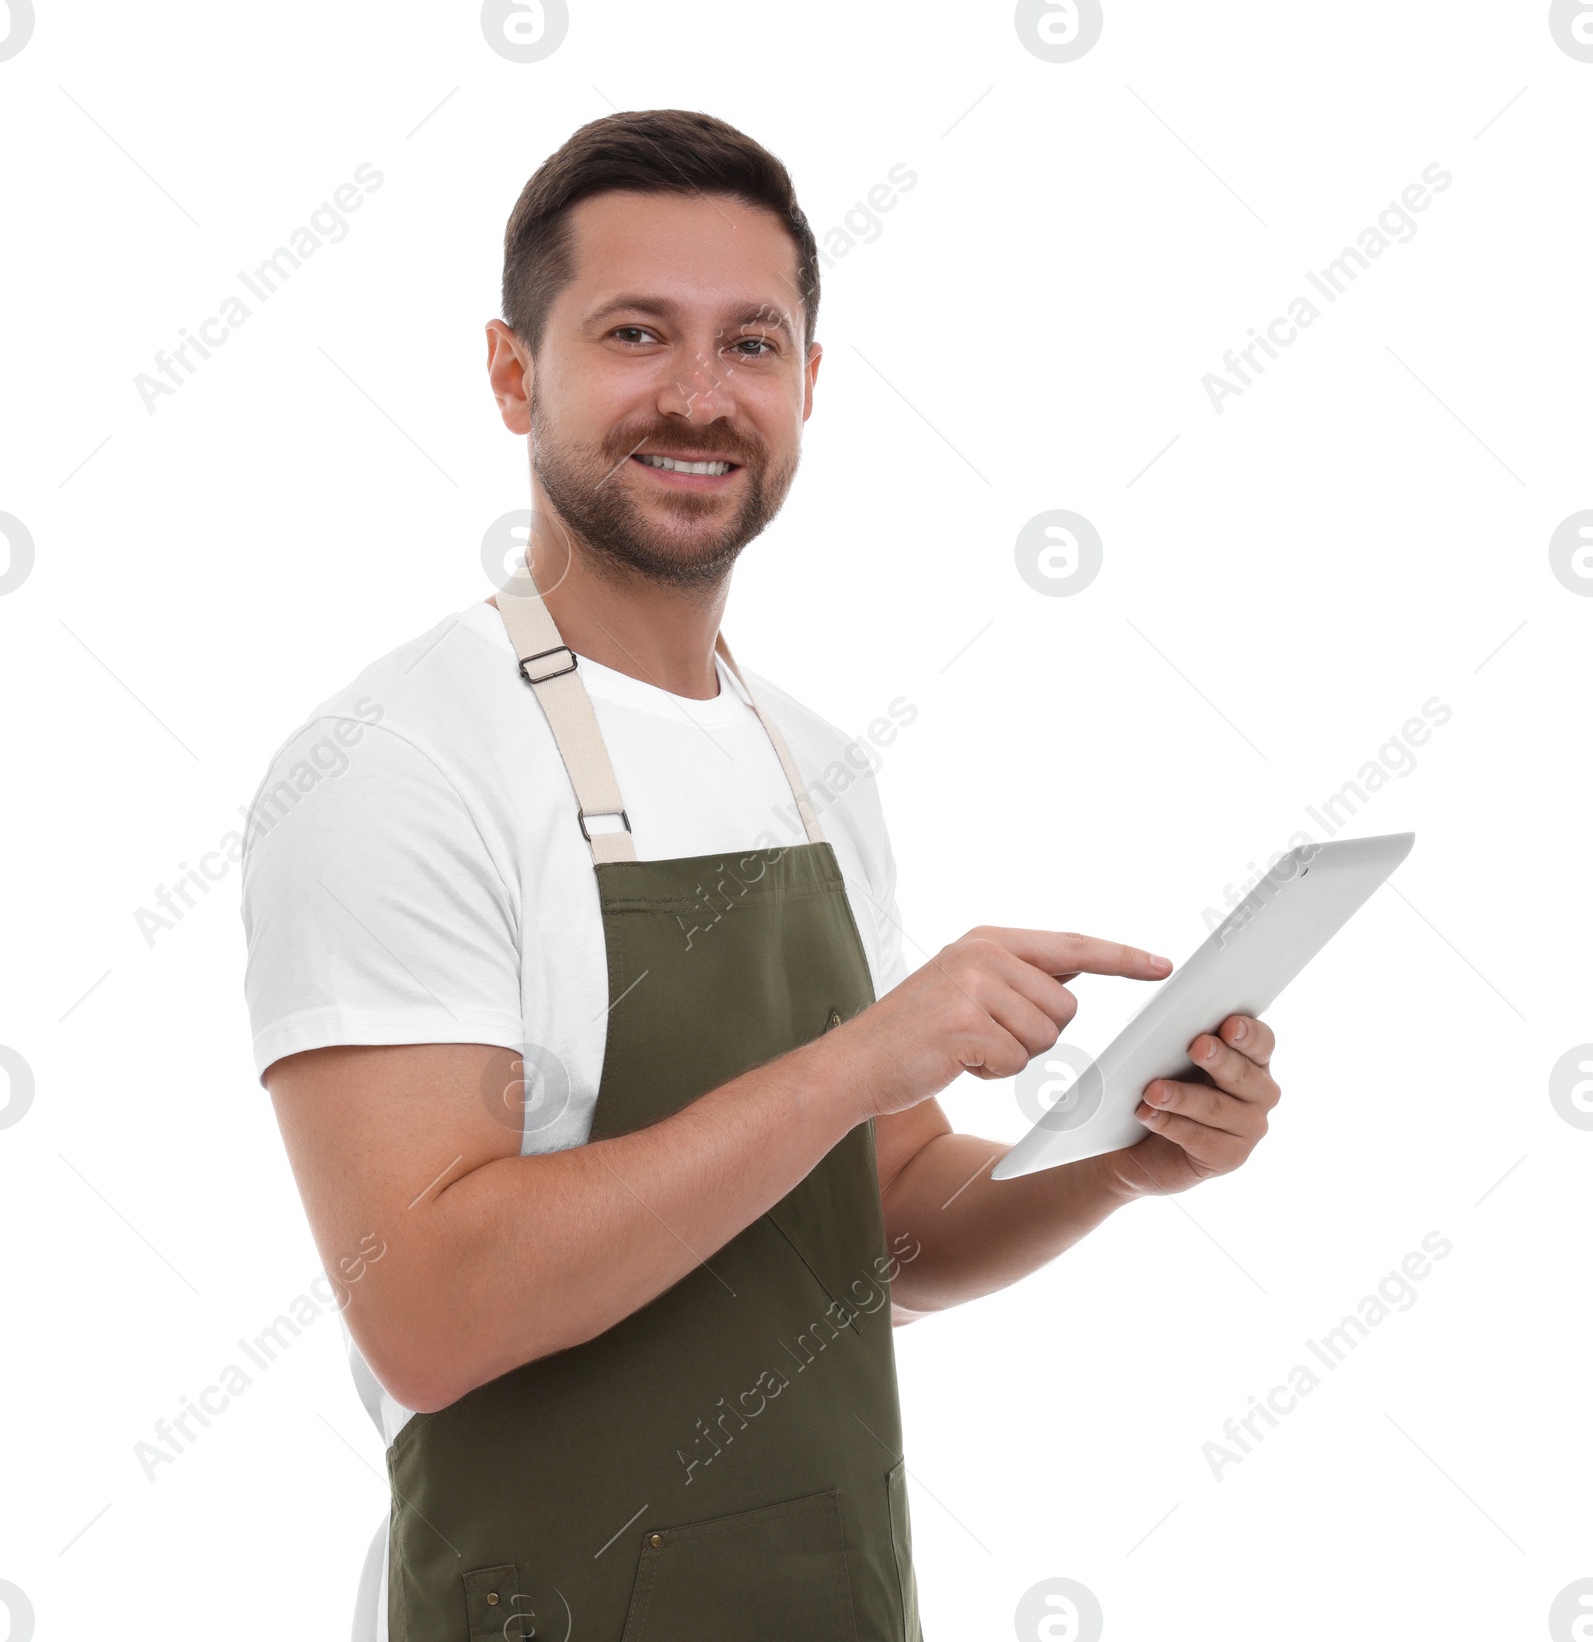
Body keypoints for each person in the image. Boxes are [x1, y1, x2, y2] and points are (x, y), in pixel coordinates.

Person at [240, 107, 1282, 1642]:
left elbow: (888, 1218)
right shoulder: (400, 762)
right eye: (635, 332)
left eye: (751, 343)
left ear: (807, 385)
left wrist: (1120, 1150)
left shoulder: (817, 765)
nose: (697, 393)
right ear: (514, 372)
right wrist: (858, 1057)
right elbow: (433, 1312)